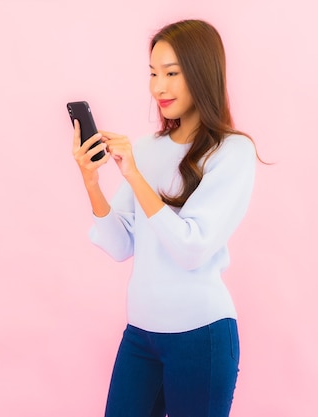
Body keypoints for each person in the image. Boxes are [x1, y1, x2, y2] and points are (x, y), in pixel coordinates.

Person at [71, 19, 257, 417]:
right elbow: (121, 245)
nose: (158, 87)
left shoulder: (232, 152)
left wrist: (134, 175)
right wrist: (92, 182)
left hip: (200, 335)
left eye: (172, 73)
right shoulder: (147, 148)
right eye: (153, 73)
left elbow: (191, 248)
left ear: (202, 73)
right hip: (141, 335)